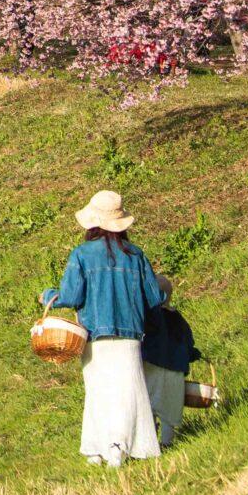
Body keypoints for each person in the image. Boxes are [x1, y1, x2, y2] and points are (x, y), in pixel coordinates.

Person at [40, 191, 170, 467]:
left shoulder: (82, 255)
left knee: (99, 390)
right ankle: (119, 447)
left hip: (94, 336)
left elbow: (72, 296)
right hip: (130, 335)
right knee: (128, 390)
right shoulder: (136, 256)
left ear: (93, 224)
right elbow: (154, 298)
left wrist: (48, 295)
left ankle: (98, 449)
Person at [140, 300, 199, 448]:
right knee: (169, 410)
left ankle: (150, 441)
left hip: (152, 365)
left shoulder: (149, 316)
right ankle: (167, 442)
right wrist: (192, 353)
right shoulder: (178, 318)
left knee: (149, 404)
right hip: (175, 367)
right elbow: (188, 340)